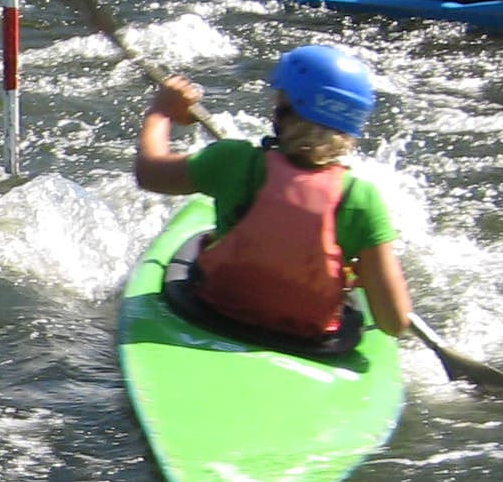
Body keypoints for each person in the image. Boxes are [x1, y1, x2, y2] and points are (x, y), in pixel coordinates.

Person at [133, 45, 413, 346]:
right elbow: (394, 322)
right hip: (308, 338)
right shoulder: (362, 200)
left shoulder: (232, 161)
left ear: (284, 111)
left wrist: (160, 112)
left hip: (216, 311)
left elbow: (149, 172)